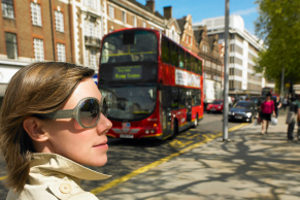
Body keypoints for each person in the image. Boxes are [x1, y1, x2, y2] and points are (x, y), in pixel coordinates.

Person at [0, 62, 112, 200]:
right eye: (88, 111)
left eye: (103, 107)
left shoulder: (20, 188)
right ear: (37, 129)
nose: (107, 124)